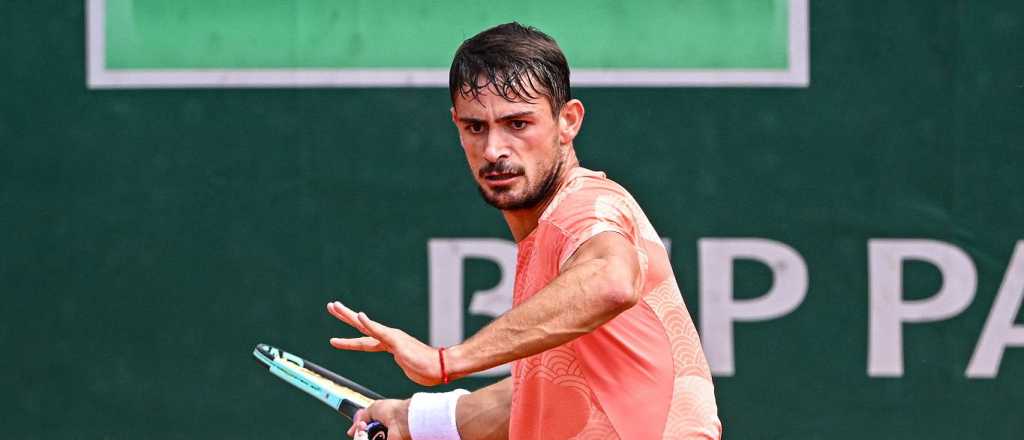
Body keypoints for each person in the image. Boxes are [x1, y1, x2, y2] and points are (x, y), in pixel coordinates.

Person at [327, 22, 722, 439]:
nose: (494, 150)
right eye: (476, 127)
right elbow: (530, 400)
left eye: (518, 124)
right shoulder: (546, 245)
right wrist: (415, 419)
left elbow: (612, 279)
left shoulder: (585, 208)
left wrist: (447, 361)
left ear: (568, 121)